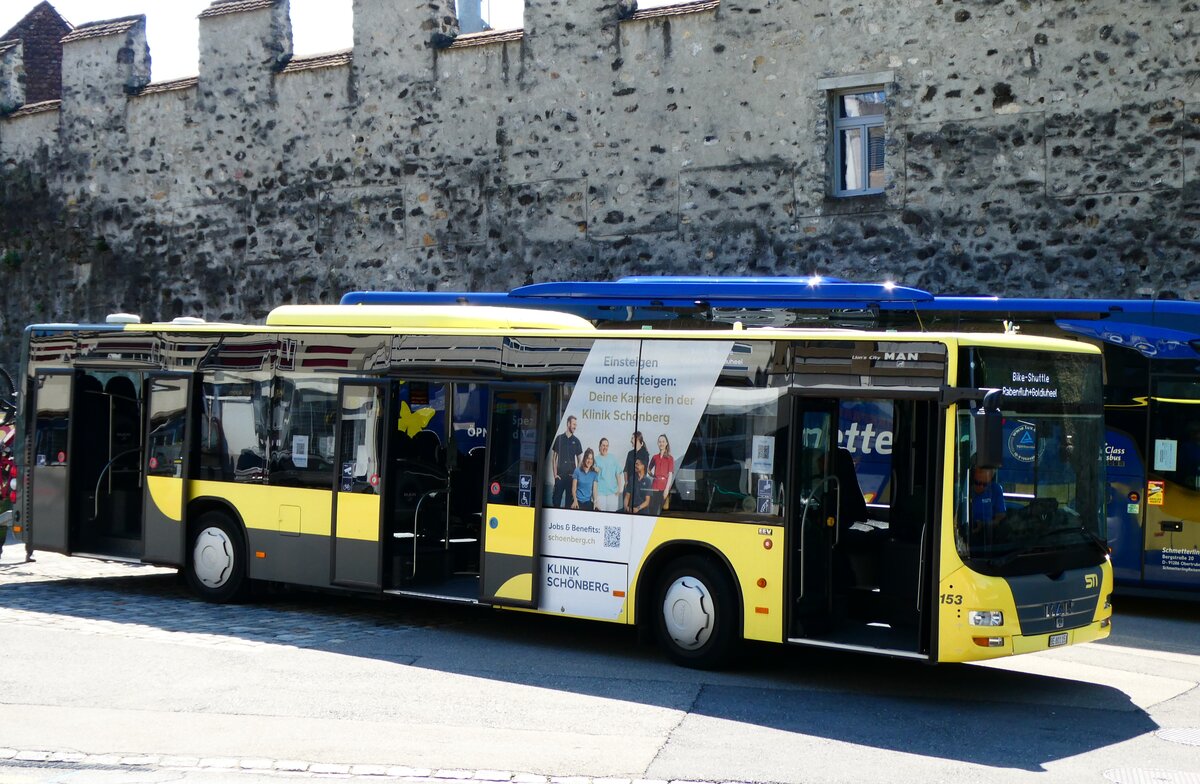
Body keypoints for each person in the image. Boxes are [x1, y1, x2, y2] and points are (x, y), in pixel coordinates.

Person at [550, 415, 583, 508]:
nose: (575, 427)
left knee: (569, 505)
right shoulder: (559, 438)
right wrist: (555, 475)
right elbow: (554, 458)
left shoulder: (576, 441)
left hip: (571, 478)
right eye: (573, 424)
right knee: (556, 502)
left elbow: (580, 460)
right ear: (568, 424)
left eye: (576, 425)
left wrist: (575, 475)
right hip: (560, 477)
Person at [593, 437, 622, 512]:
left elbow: (618, 473)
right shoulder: (595, 459)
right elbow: (592, 474)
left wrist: (619, 488)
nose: (605, 447)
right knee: (601, 515)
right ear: (599, 446)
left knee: (612, 515)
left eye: (607, 446)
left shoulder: (613, 458)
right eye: (603, 445)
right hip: (600, 493)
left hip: (613, 493)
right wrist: (594, 468)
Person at [648, 433, 675, 512]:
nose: (661, 443)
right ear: (657, 443)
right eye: (659, 442)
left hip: (664, 487)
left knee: (663, 510)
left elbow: (670, 475)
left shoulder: (670, 458)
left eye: (663, 441)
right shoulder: (655, 457)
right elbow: (649, 469)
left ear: (666, 443)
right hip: (655, 487)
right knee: (653, 510)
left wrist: (666, 489)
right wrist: (654, 476)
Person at [623, 431, 649, 508]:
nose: (630, 440)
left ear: (637, 439)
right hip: (629, 486)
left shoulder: (645, 454)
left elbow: (644, 471)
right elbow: (625, 469)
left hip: (639, 486)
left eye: (632, 438)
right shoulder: (630, 453)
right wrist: (626, 482)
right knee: (626, 507)